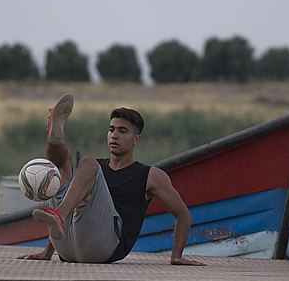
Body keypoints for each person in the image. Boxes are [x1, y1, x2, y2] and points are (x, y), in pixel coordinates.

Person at [17, 93, 205, 266]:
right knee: (64, 167)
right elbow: (70, 201)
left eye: (122, 131)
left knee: (87, 163)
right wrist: (47, 252)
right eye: (111, 129)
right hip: (66, 248)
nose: (114, 135)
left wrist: (176, 256)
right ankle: (55, 140)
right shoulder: (90, 171)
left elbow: (183, 215)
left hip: (104, 248)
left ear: (136, 139)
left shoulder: (150, 175)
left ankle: (58, 213)